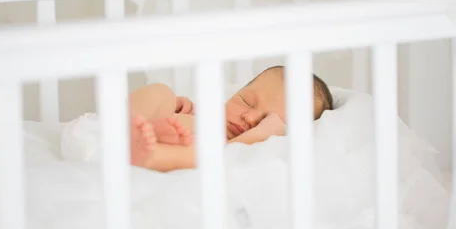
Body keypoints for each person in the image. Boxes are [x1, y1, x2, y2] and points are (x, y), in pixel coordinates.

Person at [129, 66, 333, 172]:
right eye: (247, 101)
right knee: (161, 92)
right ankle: (131, 128)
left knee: (211, 152)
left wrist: (259, 135)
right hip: (154, 126)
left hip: (181, 151)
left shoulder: (242, 148)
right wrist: (177, 108)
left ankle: (153, 156)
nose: (251, 117)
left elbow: (229, 155)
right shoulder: (203, 114)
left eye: (267, 120)